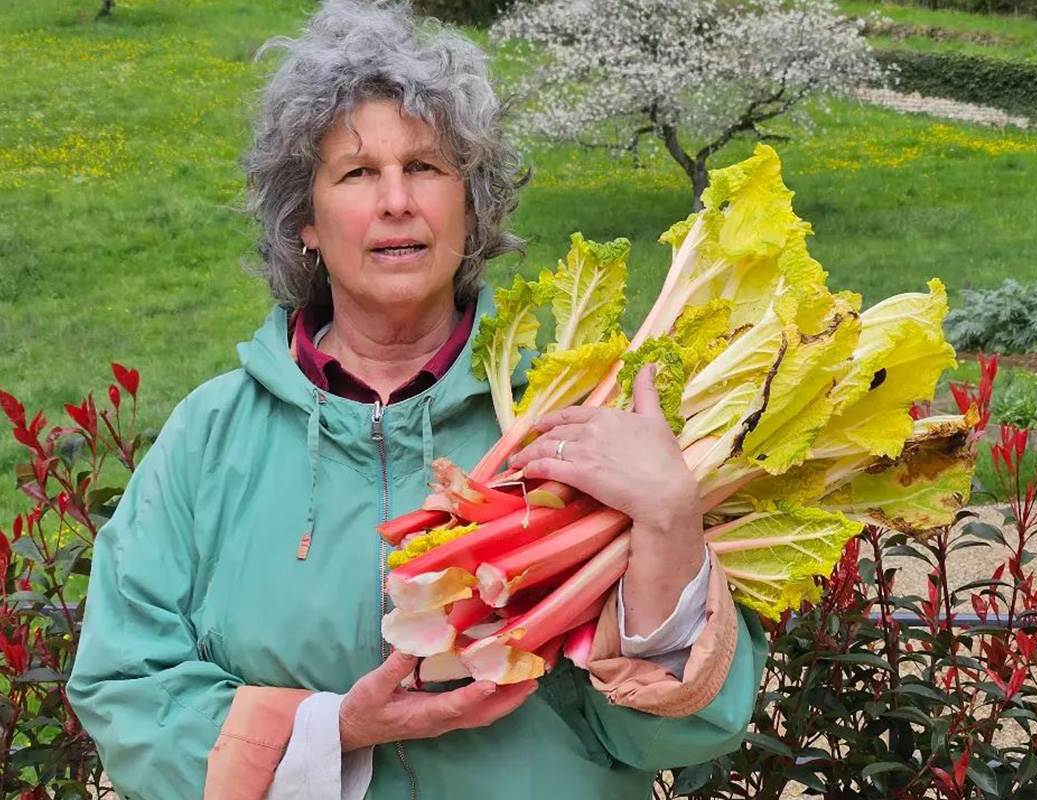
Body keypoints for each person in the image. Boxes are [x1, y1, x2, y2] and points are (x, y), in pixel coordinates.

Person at [65, 2, 767, 798]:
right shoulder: (209, 439)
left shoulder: (574, 422)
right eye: (359, 173)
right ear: (305, 223)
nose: (396, 201)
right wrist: (335, 731)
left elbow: (679, 734)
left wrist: (671, 523)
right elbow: (125, 689)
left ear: (471, 211)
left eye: (427, 168)